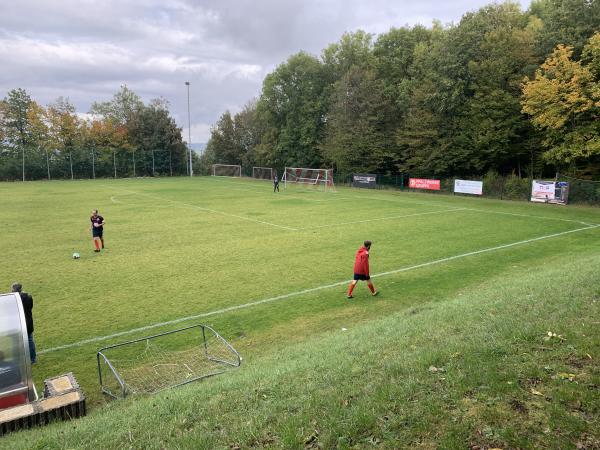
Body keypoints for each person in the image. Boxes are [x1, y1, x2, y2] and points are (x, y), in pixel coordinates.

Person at [11, 283, 36, 364]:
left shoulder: (13, 299)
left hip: (18, 324)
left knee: (16, 342)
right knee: (30, 340)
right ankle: (33, 359)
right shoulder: (29, 297)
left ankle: (18, 360)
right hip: (28, 323)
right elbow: (30, 307)